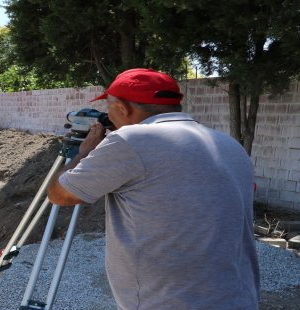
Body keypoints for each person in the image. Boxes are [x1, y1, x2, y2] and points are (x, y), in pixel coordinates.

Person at [47, 68, 260, 309]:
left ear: (123, 108)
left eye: (109, 107)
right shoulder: (229, 144)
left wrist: (84, 152)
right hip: (237, 298)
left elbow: (59, 194)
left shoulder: (130, 140)